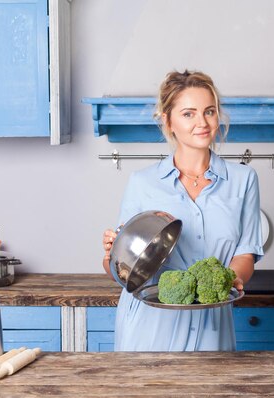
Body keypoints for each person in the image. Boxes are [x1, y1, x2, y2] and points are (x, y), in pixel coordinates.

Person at [102, 70, 264, 351]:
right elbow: (119, 269)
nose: (202, 122)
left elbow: (245, 253)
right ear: (168, 121)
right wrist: (113, 254)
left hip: (212, 328)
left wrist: (232, 277)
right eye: (189, 114)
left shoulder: (243, 180)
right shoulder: (143, 183)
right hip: (150, 330)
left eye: (209, 112)